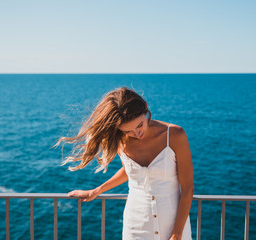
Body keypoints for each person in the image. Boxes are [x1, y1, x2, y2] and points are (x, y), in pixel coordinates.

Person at [54, 87, 194, 240]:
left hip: (174, 224)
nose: (137, 134)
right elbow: (130, 170)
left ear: (146, 110)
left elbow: (188, 188)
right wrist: (96, 191)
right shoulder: (121, 142)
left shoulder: (174, 135)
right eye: (128, 131)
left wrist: (177, 234)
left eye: (140, 125)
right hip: (136, 226)